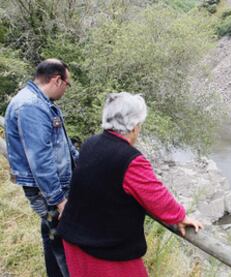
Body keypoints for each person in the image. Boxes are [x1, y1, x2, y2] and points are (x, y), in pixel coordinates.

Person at [57, 92, 203, 277]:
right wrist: (180, 216)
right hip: (103, 250)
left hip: (75, 238)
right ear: (134, 127)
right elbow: (156, 196)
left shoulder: (91, 143)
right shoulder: (130, 159)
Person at [4, 59, 78, 277]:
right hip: (48, 190)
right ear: (57, 80)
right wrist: (59, 200)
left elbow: (62, 145)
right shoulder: (32, 107)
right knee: (64, 244)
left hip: (48, 188)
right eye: (67, 83)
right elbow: (41, 160)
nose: (66, 89)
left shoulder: (37, 101)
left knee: (52, 235)